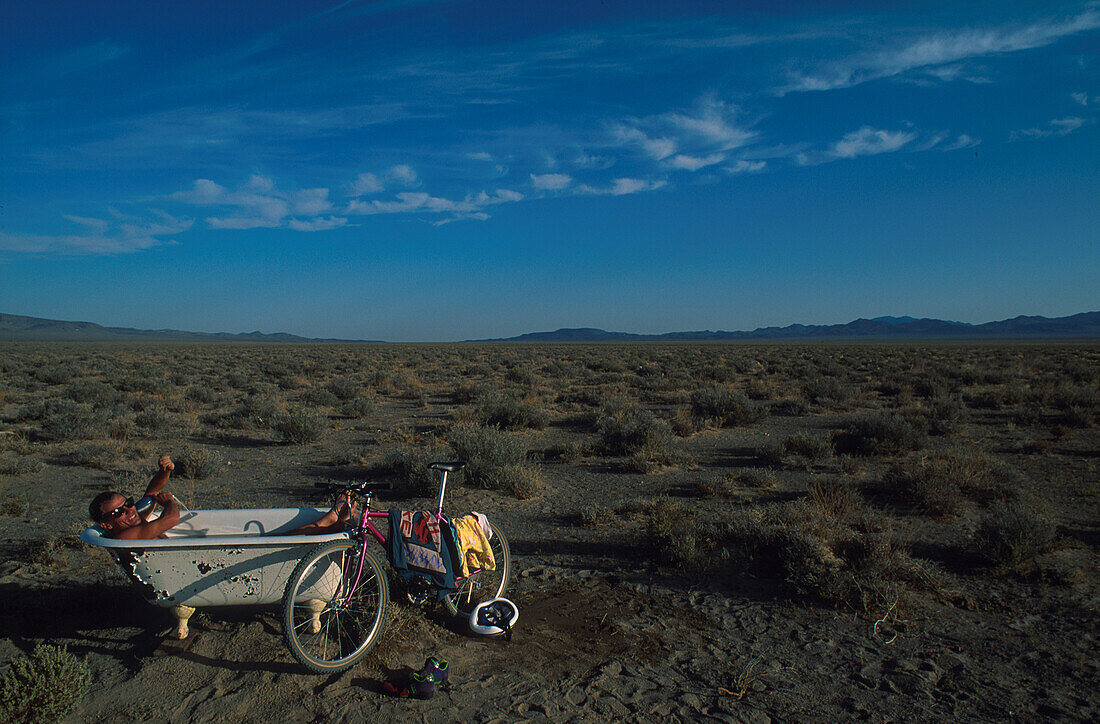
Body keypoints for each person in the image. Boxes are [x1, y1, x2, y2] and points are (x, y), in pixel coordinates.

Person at [89, 454, 180, 540]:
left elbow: (152, 493)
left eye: (128, 503)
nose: (129, 511)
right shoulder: (125, 537)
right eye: (119, 512)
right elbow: (172, 518)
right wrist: (169, 502)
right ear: (107, 525)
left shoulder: (135, 517)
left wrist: (165, 470)